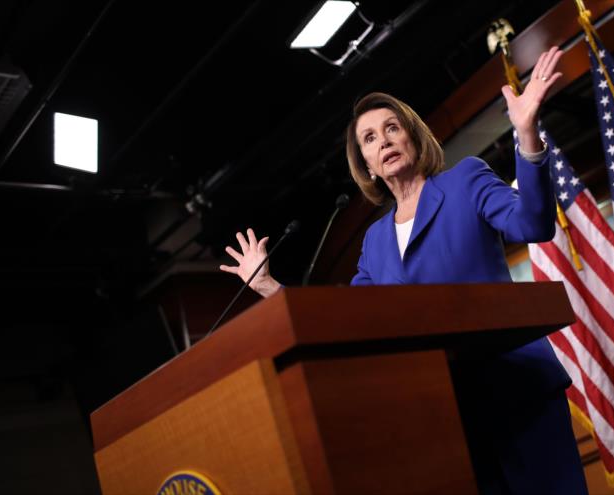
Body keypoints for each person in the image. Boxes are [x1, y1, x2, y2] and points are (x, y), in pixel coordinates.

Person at [220, 46, 588, 494]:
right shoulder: (374, 244)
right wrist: (268, 286)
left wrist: (527, 137)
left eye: (392, 128)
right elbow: (343, 323)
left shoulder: (465, 180)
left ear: (413, 137)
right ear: (368, 167)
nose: (385, 141)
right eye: (370, 139)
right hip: (444, 414)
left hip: (517, 390)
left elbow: (533, 223)